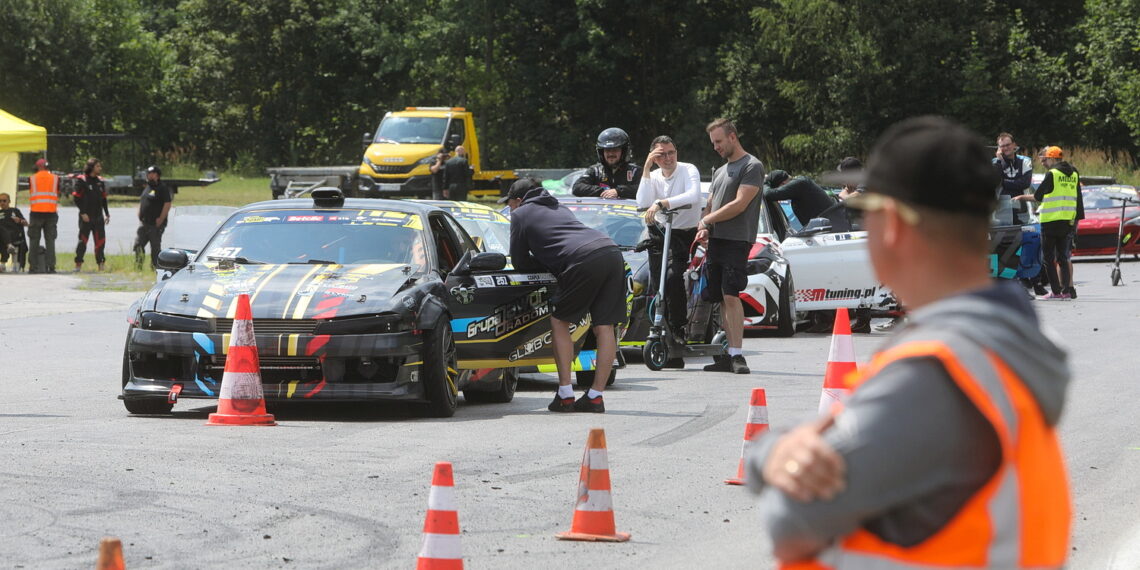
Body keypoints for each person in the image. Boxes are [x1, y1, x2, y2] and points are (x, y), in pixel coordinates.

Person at [747, 116, 1071, 568]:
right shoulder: (1004, 345)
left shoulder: (935, 372)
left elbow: (790, 521)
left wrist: (773, 453)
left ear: (894, 226)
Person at [502, 178, 626, 413]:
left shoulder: (521, 214)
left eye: (510, 205)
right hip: (610, 251)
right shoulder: (559, 206)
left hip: (582, 260)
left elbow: (519, 261)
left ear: (519, 200)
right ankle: (596, 396)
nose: (510, 210)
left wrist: (545, 264)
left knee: (560, 321)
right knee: (604, 327)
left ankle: (565, 394)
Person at [696, 118, 765, 374]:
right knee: (720, 298)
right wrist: (704, 226)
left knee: (731, 294)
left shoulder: (752, 166)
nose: (715, 147)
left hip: (738, 239)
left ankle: (737, 355)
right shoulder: (720, 170)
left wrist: (707, 219)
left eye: (719, 141)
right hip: (717, 240)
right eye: (713, 142)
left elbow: (739, 204)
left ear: (732, 137)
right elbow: (711, 203)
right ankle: (727, 353)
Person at [636, 135, 703, 358]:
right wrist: (646, 168)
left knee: (674, 277)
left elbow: (693, 196)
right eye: (661, 154)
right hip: (661, 232)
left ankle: (678, 326)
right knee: (657, 282)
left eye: (671, 152)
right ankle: (661, 328)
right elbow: (642, 202)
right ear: (654, 158)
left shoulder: (687, 170)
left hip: (684, 233)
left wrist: (662, 203)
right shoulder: (653, 175)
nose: (667, 158)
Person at [1015, 146, 1081, 300]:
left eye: (1046, 158)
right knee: (1063, 257)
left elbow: (1038, 196)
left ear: (1052, 158)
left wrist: (1022, 197)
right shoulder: (1073, 174)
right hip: (1067, 220)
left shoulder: (1052, 174)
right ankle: (1066, 291)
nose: (1045, 161)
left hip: (1050, 221)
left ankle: (1056, 292)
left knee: (1048, 258)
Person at [573, 127, 642, 199]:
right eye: (607, 150)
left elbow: (645, 189)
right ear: (601, 153)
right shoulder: (595, 170)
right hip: (600, 209)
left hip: (627, 209)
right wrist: (604, 191)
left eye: (615, 150)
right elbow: (577, 187)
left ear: (624, 152)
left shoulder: (635, 171)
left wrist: (618, 191)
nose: (611, 154)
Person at [73, 158, 110, 272]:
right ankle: (78, 265)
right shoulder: (82, 180)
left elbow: (103, 199)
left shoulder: (100, 181)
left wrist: (107, 214)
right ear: (92, 167)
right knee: (82, 242)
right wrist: (83, 213)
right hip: (86, 217)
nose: (100, 168)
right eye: (98, 166)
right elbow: (76, 198)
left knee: (100, 242)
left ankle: (101, 265)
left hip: (98, 217)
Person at [133, 165, 174, 270]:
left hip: (155, 224)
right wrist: (139, 212)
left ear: (156, 175)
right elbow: (143, 200)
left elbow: (167, 204)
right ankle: (138, 266)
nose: (148, 175)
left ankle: (155, 268)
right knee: (138, 244)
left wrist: (161, 218)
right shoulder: (148, 186)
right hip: (144, 223)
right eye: (148, 173)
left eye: (150, 173)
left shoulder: (162, 188)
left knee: (155, 247)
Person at [763, 169, 835, 227]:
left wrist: (764, 182)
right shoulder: (799, 188)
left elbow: (769, 194)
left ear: (783, 184)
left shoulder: (800, 184)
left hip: (832, 229)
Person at [26, 158, 60, 273]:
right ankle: (51, 267)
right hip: (51, 213)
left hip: (36, 213)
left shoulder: (32, 178)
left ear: (38, 167)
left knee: (34, 240)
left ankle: (33, 267)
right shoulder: (55, 178)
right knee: (50, 240)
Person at [993, 132, 1034, 224]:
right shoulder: (995, 162)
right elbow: (995, 182)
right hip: (1001, 211)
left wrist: (1003, 182)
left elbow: (1025, 183)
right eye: (1002, 146)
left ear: (1014, 145)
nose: (1006, 148)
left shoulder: (1025, 161)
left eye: (1008, 145)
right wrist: (1000, 161)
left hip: (1022, 211)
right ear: (999, 148)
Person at [0, 193, 29, 273]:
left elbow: (26, 223)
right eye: (0, 201)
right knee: (1, 230)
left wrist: (19, 220)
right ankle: (9, 246)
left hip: (14, 235)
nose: (2, 203)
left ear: (9, 201)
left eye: (4, 200)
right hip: (2, 236)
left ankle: (2, 264)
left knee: (3, 234)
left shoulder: (15, 211)